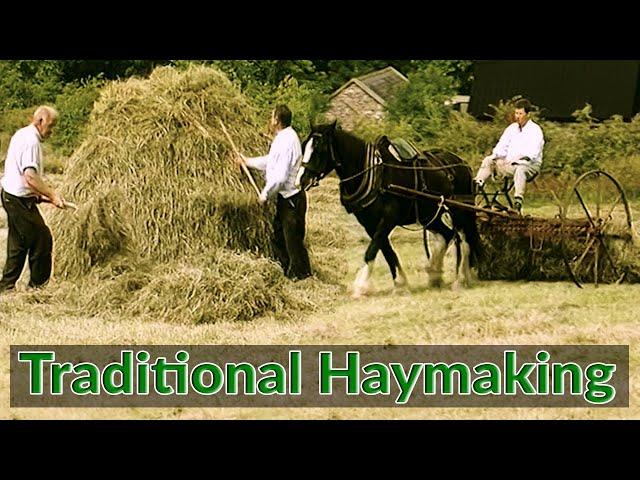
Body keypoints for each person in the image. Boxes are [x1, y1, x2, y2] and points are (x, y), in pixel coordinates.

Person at [237, 104, 312, 281]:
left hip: (291, 200)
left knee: (291, 241)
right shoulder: (285, 137)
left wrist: (264, 195)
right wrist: (247, 161)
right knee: (280, 238)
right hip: (289, 199)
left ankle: (301, 279)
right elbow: (271, 161)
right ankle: (290, 274)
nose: (270, 121)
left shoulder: (286, 141)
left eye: (272, 117)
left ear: (276, 120)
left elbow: (280, 177)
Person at [0, 105, 66, 293]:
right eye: (51, 126)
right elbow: (30, 177)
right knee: (42, 239)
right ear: (41, 121)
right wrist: (52, 195)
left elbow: (23, 176)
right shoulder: (31, 141)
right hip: (17, 199)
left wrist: (39, 196)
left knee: (18, 244)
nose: (52, 131)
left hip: (12, 195)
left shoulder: (22, 134)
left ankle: (5, 286)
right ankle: (38, 288)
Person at [474, 98, 545, 213]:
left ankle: (518, 201)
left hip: (529, 165)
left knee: (520, 169)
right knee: (488, 160)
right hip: (509, 164)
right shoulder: (511, 129)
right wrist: (496, 156)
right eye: (516, 113)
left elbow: (533, 152)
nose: (517, 116)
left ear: (528, 114)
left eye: (520, 114)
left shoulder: (535, 130)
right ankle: (478, 185)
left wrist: (519, 160)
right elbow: (502, 146)